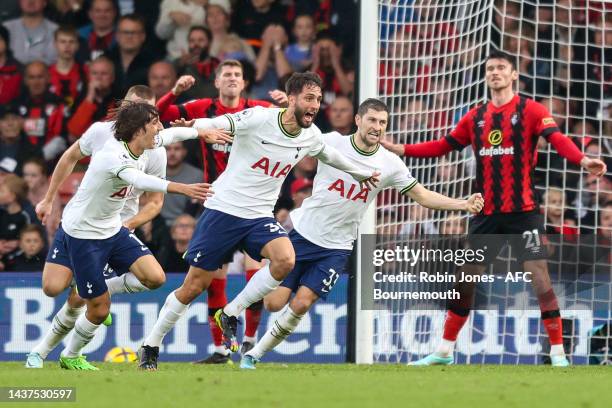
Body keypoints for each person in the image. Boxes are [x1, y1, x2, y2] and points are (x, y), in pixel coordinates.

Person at [139, 71, 379, 370]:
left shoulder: (311, 135)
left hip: (258, 217)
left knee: (285, 259)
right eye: (308, 98)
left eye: (318, 99)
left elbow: (330, 155)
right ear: (291, 99)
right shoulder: (259, 118)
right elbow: (214, 124)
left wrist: (361, 173)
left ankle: (231, 312)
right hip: (223, 210)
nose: (314, 105)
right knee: (193, 287)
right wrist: (186, 130)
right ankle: (151, 344)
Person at [381, 50, 607, 367]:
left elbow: (556, 138)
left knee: (540, 278)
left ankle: (558, 353)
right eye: (490, 68)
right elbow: (444, 145)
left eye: (501, 67)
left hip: (524, 213)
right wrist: (401, 148)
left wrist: (583, 160)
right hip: (485, 214)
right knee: (465, 280)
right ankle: (444, 351)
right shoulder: (475, 117)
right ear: (486, 75)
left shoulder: (530, 110)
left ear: (513, 74)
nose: (495, 72)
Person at [240, 98, 483, 369]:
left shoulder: (390, 163)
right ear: (358, 120)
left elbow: (422, 196)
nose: (377, 127)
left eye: (382, 123)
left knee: (302, 304)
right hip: (301, 234)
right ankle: (243, 310)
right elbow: (294, 135)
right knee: (273, 304)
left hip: (337, 247)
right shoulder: (332, 142)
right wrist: (291, 108)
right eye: (372, 120)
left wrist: (462, 204)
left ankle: (253, 355)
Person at [26, 88, 230, 369]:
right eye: (154, 123)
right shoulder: (113, 156)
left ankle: (72, 342)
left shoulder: (146, 144)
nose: (159, 129)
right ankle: (58, 353)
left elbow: (171, 136)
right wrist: (183, 188)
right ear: (137, 127)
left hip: (114, 229)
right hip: (83, 234)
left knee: (155, 277)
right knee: (74, 298)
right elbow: (140, 180)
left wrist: (200, 133)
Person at [3, 0, 58, 65]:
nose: (31, 1)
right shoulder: (5, 29)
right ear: (20, 2)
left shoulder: (56, 31)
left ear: (44, 3)